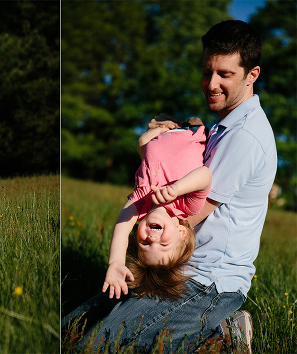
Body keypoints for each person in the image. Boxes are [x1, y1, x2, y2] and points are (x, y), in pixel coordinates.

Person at [64, 20, 277, 352]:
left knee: (99, 346)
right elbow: (183, 166)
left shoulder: (247, 137)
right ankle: (208, 331)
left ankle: (222, 334)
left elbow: (187, 218)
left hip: (208, 281)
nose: (212, 83)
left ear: (252, 75)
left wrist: (144, 194)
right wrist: (164, 142)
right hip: (173, 265)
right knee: (70, 330)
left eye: (225, 74)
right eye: (207, 72)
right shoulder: (222, 125)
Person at [103, 117, 210, 301]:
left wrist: (116, 262)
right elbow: (205, 176)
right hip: (192, 133)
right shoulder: (186, 205)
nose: (152, 238)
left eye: (145, 244)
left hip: (162, 135)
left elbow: (121, 228)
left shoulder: (141, 202)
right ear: (182, 232)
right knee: (194, 120)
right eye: (163, 244)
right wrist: (177, 189)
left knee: (142, 142)